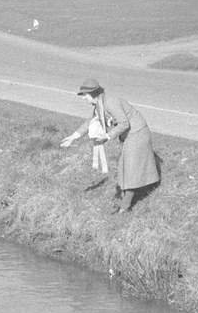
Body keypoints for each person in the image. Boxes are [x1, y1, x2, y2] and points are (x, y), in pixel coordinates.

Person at [60, 77, 161, 212]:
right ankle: (132, 196)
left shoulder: (110, 102)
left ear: (93, 94)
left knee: (130, 171)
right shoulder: (99, 105)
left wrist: (107, 136)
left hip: (137, 134)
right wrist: (73, 137)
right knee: (126, 168)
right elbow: (90, 122)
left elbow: (124, 123)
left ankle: (125, 208)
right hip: (130, 135)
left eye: (84, 95)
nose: (83, 98)